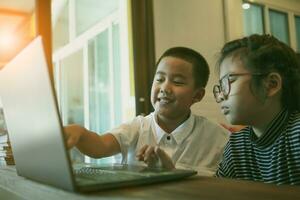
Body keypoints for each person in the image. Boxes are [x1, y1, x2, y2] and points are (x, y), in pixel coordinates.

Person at [64, 47, 229, 176]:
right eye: (159, 79)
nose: (165, 88)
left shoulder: (218, 138)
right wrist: (81, 133)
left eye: (177, 82)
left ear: (197, 95)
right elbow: (99, 146)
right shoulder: (137, 127)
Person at [213, 34, 300, 185]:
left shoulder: (296, 135)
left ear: (271, 84)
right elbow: (219, 192)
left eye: (230, 81)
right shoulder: (237, 144)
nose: (221, 95)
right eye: (220, 86)